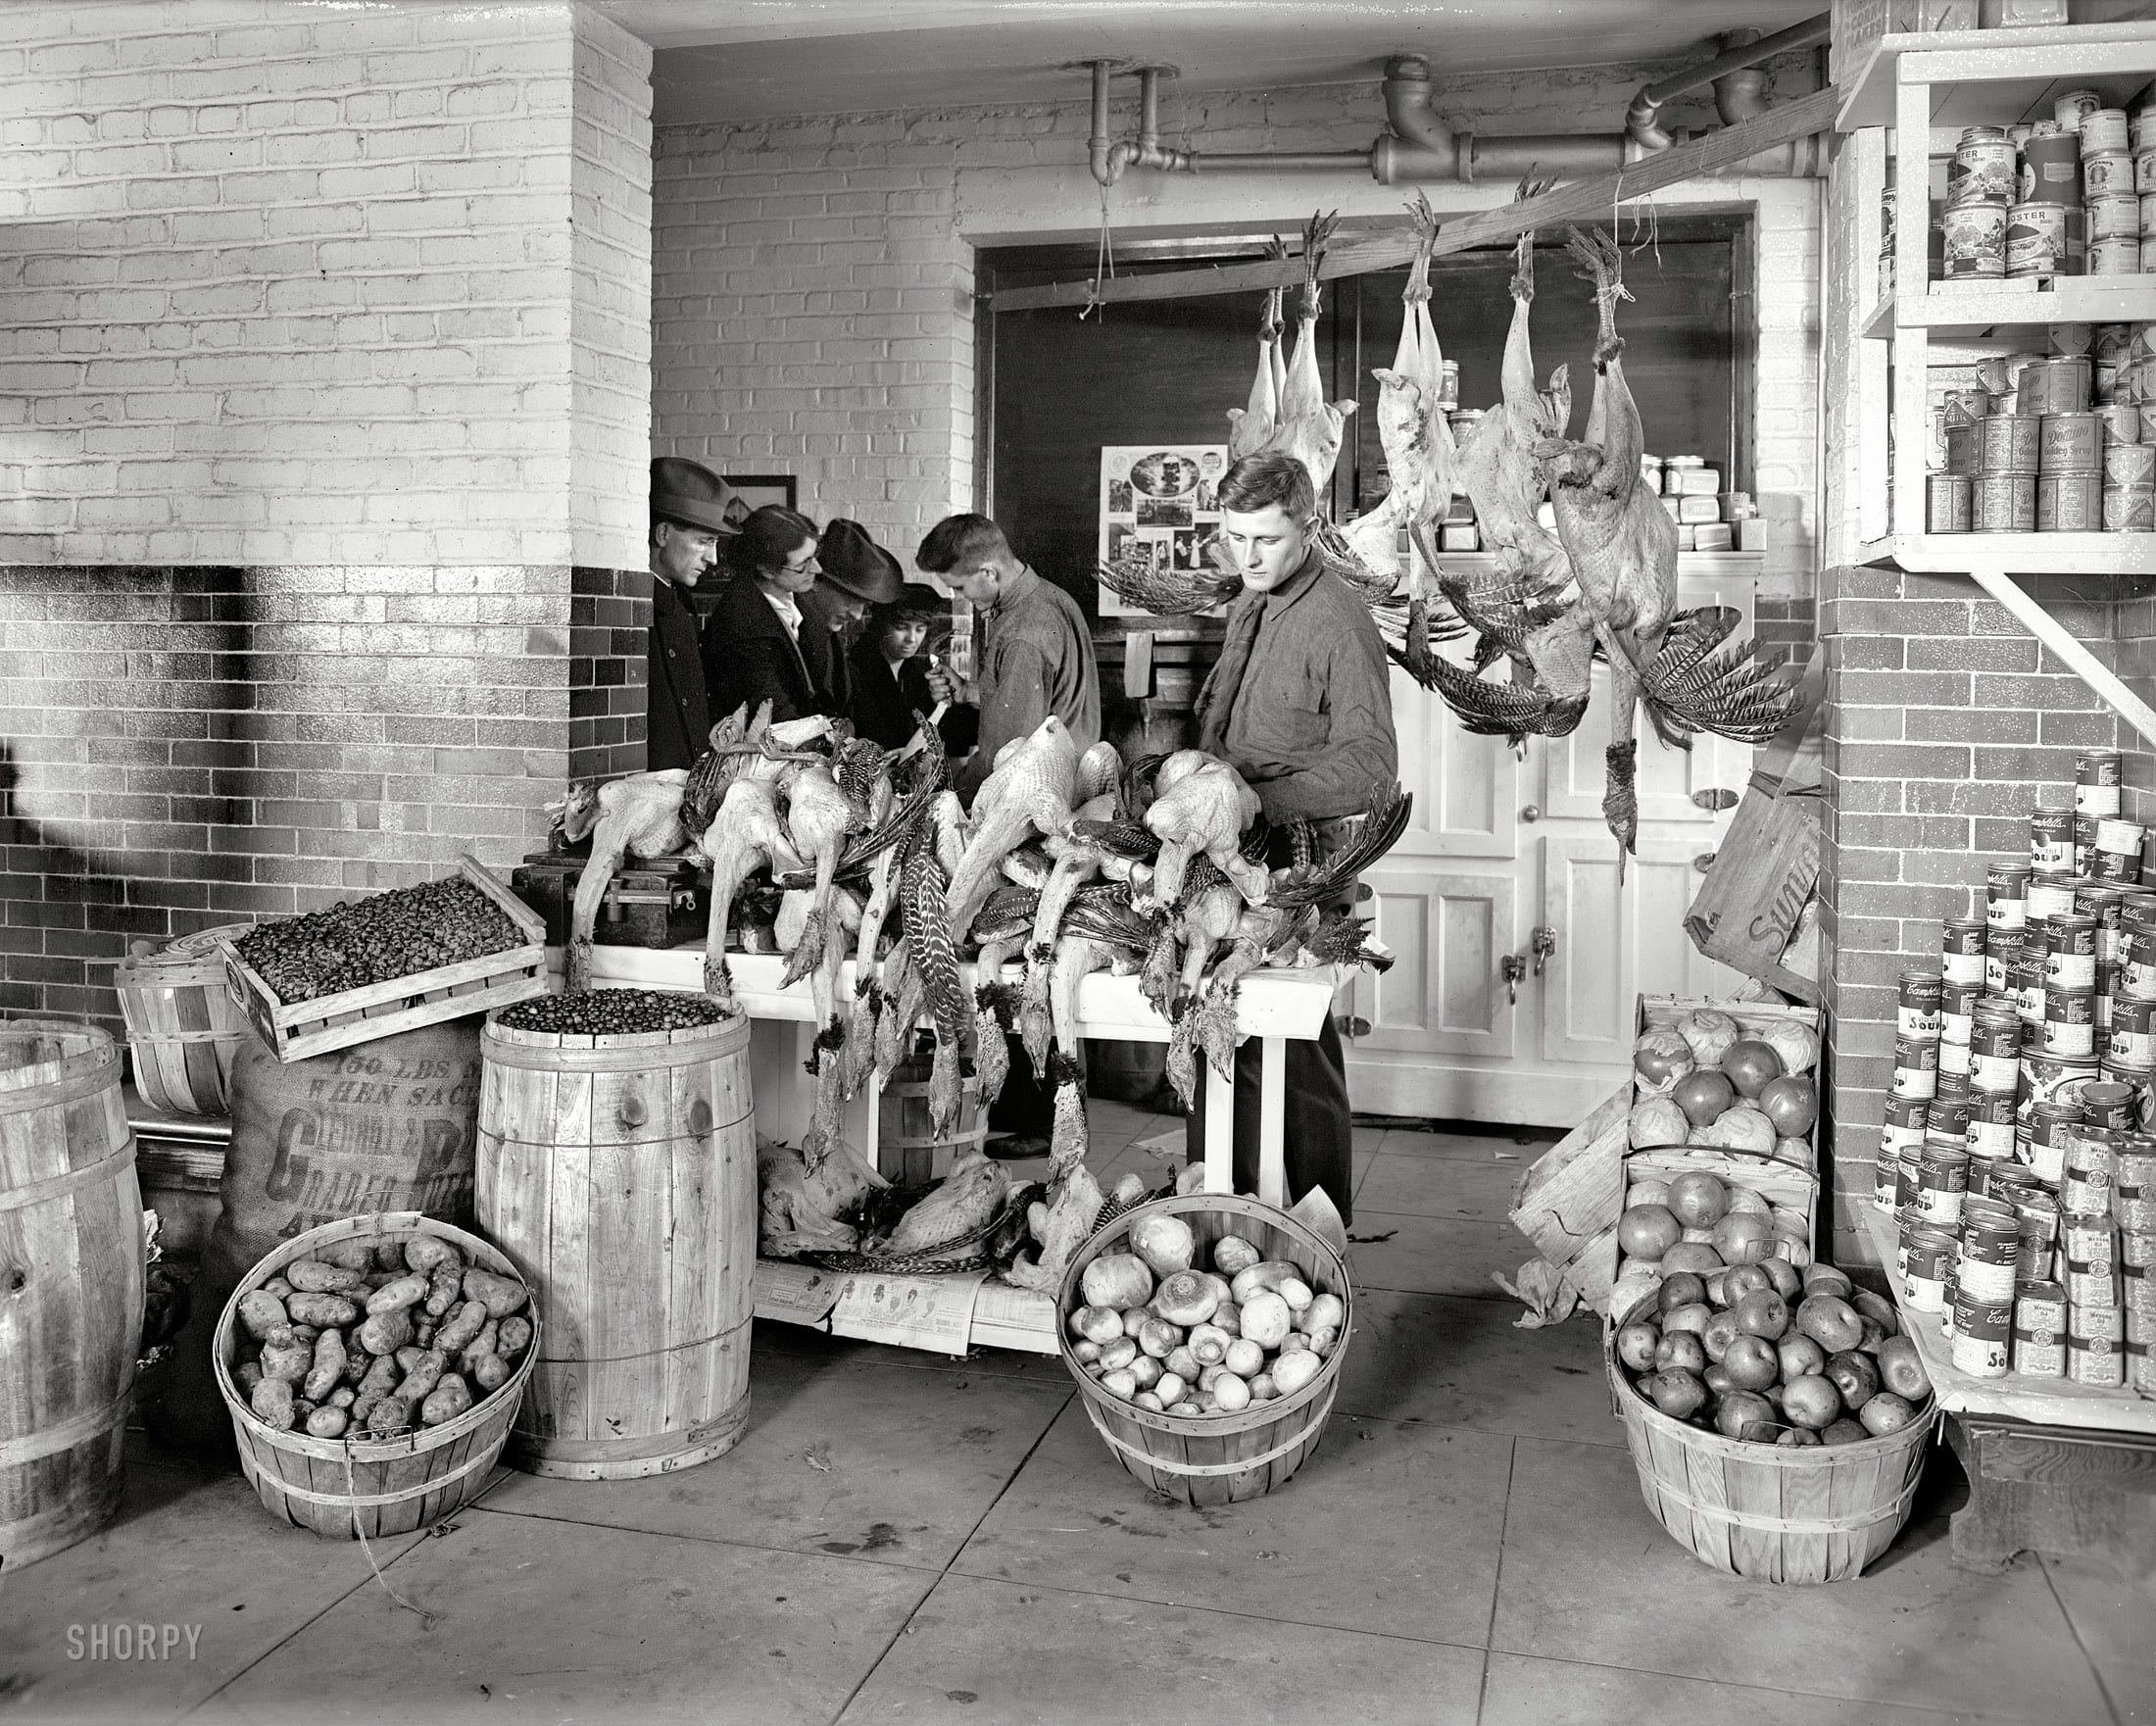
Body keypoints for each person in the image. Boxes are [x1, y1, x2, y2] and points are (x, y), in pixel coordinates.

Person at [1183, 451, 1399, 1225]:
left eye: (1265, 540)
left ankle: (1314, 1236)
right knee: (1218, 1035)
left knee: (1293, 1049)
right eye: (1233, 536)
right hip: (1230, 854)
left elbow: (1373, 771)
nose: (1246, 556)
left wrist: (1252, 798)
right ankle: (1225, 1218)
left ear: (1307, 529)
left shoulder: (1338, 621)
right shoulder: (1252, 598)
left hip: (1300, 861)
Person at [913, 513, 1100, 804]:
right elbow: (1040, 696)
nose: (959, 596)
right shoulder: (1049, 596)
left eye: (960, 587)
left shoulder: (1022, 636)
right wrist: (966, 691)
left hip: (1037, 793)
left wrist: (951, 796)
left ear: (989, 572)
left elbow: (1005, 759)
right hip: (1068, 778)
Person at [645, 457, 738, 770]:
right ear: (663, 534)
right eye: (704, 541)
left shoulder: (680, 604)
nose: (712, 558)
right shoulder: (636, 607)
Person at [703, 505, 834, 724]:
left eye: (814, 557)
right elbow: (771, 711)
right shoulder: (740, 623)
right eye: (803, 564)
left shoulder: (799, 605)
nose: (817, 569)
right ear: (766, 568)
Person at [845, 582, 975, 754]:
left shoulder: (916, 674)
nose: (912, 639)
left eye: (920, 629)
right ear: (881, 624)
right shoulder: (855, 670)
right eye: (902, 628)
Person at [797, 518, 904, 718]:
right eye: (850, 598)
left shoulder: (828, 631)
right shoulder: (794, 631)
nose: (857, 614)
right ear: (817, 581)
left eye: (865, 604)